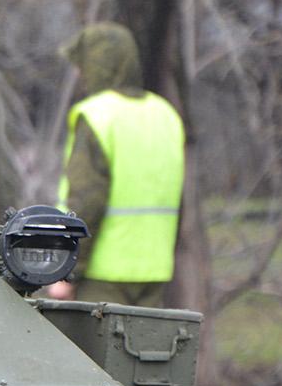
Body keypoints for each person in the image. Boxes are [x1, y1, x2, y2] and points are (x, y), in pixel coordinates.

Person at [44, 21, 186, 308]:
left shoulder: (98, 116)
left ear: (97, 65)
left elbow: (86, 201)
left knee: (88, 353)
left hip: (101, 277)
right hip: (154, 273)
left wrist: (66, 272)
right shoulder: (165, 114)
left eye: (81, 65)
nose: (78, 73)